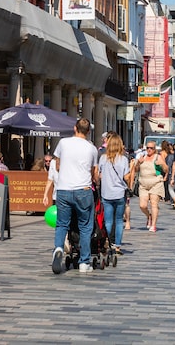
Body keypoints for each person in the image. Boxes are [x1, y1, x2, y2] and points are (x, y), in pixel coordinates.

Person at [50, 117, 99, 274]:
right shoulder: (92, 148)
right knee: (85, 227)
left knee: (62, 224)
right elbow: (94, 173)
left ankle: (58, 248)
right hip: (83, 190)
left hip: (63, 189)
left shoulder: (63, 143)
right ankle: (84, 262)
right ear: (89, 132)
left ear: (74, 128)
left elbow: (57, 165)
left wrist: (65, 172)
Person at [98, 134, 131, 253]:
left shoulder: (103, 158)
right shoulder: (123, 159)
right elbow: (126, 177)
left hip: (106, 193)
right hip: (119, 193)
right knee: (118, 221)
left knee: (108, 221)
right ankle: (117, 245)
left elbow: (99, 174)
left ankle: (107, 241)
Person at [131, 140, 167, 232]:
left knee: (154, 204)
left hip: (155, 183)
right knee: (142, 205)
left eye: (151, 148)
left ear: (155, 149)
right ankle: (149, 216)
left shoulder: (158, 157)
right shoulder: (142, 157)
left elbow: (166, 169)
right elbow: (135, 170)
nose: (149, 150)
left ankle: (153, 225)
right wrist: (139, 162)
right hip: (143, 184)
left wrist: (162, 164)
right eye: (148, 148)